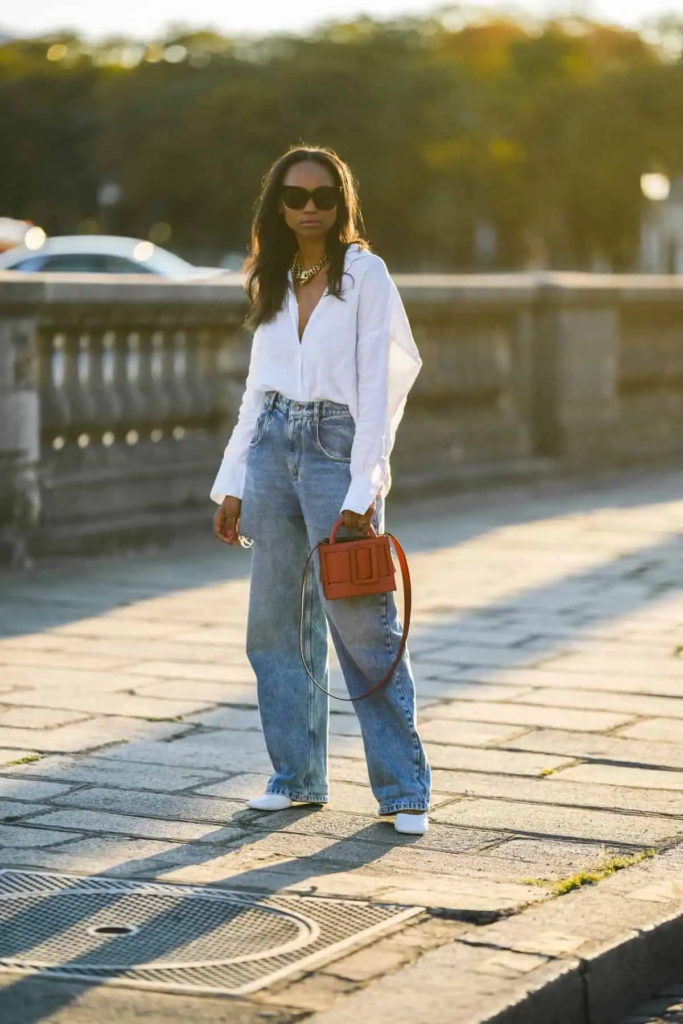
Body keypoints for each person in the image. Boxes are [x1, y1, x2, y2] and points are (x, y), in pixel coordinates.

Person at [211, 145, 431, 835]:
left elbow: (381, 389)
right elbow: (257, 389)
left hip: (338, 447)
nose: (309, 207)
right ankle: (295, 777)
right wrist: (231, 481)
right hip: (271, 449)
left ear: (341, 203)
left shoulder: (365, 275)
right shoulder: (272, 275)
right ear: (277, 206)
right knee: (274, 628)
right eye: (296, 196)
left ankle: (404, 791)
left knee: (364, 627)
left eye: (323, 196)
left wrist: (364, 489)